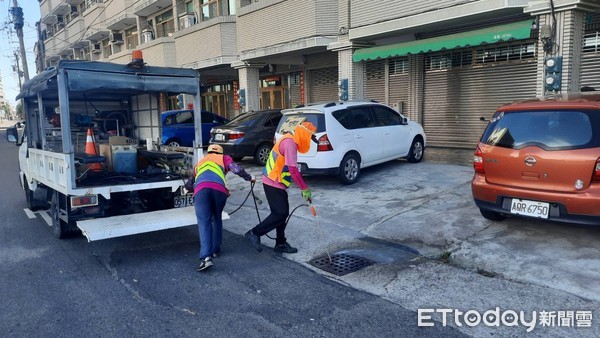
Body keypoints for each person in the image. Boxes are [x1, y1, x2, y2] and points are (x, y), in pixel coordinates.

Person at [245, 121, 316, 254]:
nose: (310, 142)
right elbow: (293, 170)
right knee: (281, 213)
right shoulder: (290, 143)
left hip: (276, 181)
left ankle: (280, 243)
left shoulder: (289, 140)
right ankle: (254, 233)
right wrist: (304, 188)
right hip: (273, 181)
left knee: (281, 213)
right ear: (304, 135)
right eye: (310, 138)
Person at [187, 144, 255, 271]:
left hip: (201, 190)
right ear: (220, 152)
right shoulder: (224, 158)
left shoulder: (201, 161)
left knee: (204, 222)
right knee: (216, 218)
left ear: (209, 151)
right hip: (219, 190)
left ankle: (206, 258)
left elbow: (191, 181)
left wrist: (187, 189)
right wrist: (249, 178)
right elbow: (237, 169)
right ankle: (216, 250)